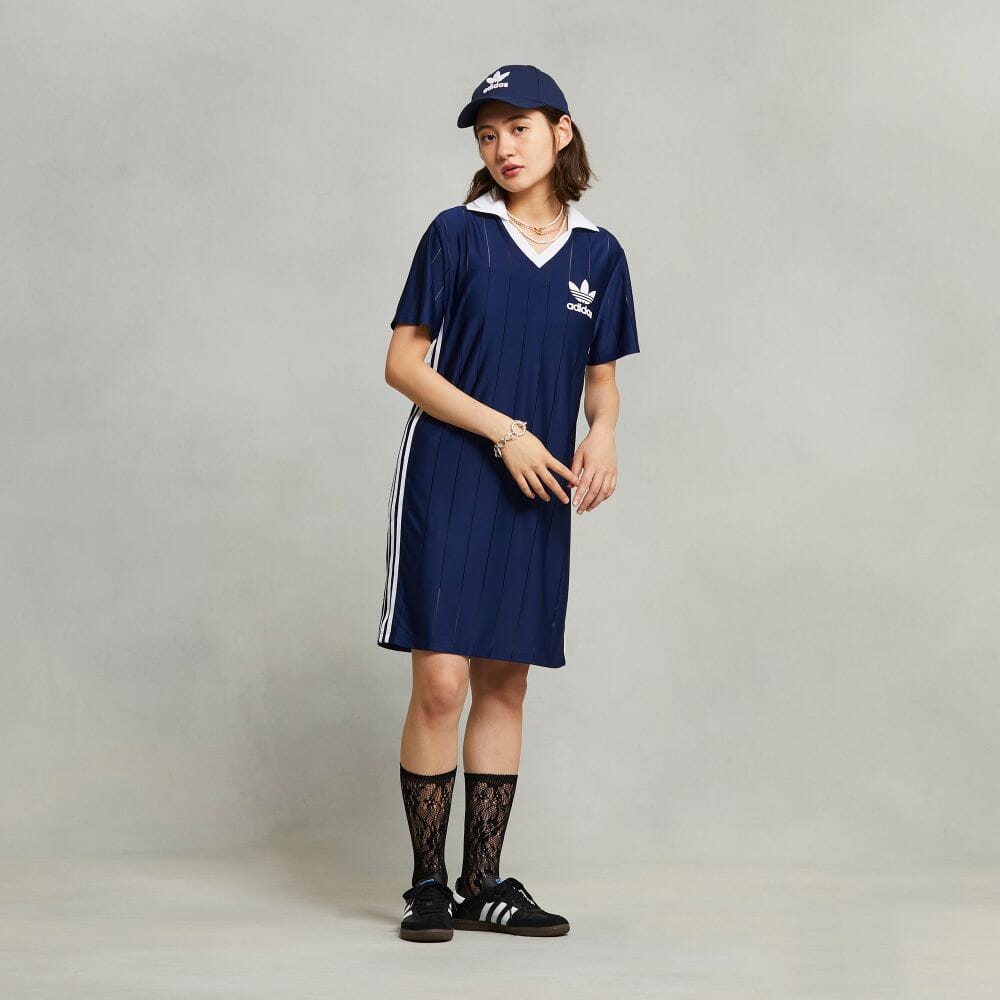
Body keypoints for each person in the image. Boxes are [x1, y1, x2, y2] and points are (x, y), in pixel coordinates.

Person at [378, 64, 640, 942]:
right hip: (454, 471)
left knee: (505, 679)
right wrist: (505, 432)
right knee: (442, 682)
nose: (503, 148)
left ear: (560, 131)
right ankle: (427, 883)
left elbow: (600, 382)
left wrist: (603, 433)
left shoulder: (600, 254)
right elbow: (403, 364)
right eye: (488, 135)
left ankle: (482, 882)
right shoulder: (458, 234)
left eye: (518, 128)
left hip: (537, 484)